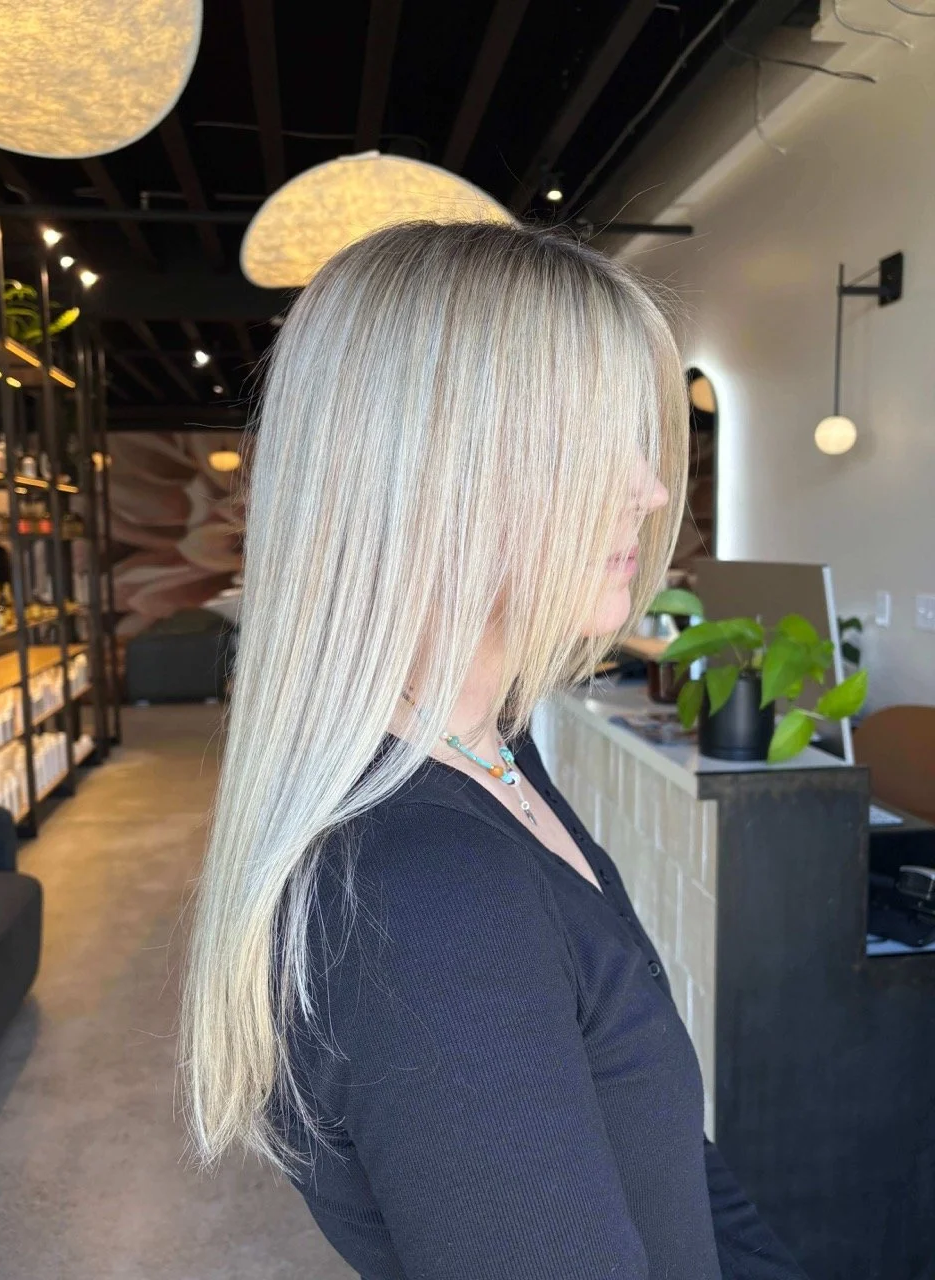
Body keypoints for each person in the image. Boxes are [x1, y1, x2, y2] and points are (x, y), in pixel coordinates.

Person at [180, 221, 808, 1279]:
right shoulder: (423, 896)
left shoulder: (498, 754)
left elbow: (677, 1164)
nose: (650, 490)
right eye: (587, 442)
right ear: (425, 477)